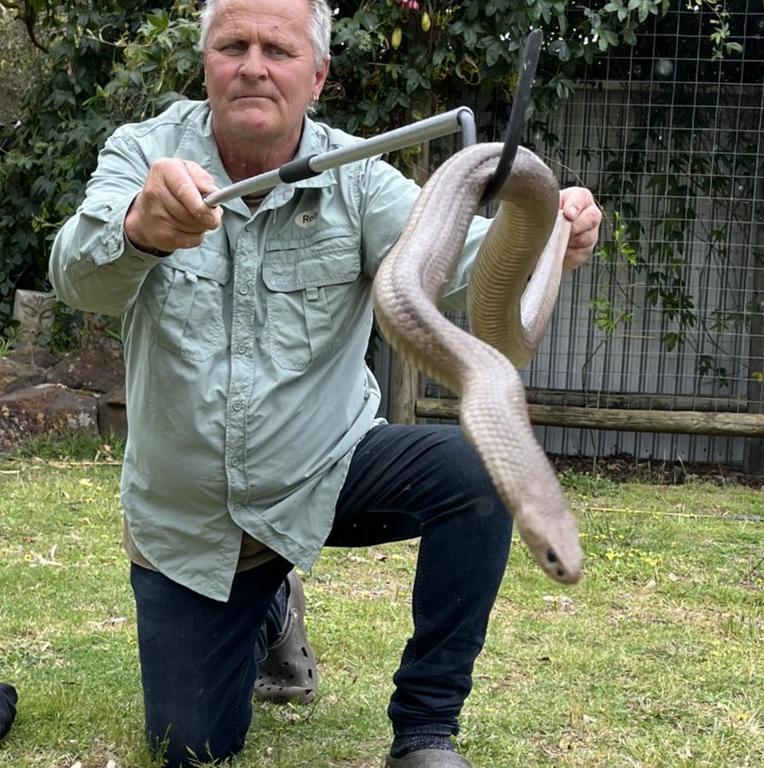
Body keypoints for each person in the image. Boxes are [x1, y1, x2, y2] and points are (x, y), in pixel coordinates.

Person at [49, 0, 602, 765]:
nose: (251, 65)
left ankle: (426, 728)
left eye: (276, 48)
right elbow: (77, 278)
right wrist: (140, 228)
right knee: (190, 747)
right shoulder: (141, 153)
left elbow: (464, 261)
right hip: (192, 520)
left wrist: (549, 232)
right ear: (205, 62)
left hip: (325, 469)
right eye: (231, 45)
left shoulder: (360, 177)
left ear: (318, 76)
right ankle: (271, 609)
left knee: (474, 467)